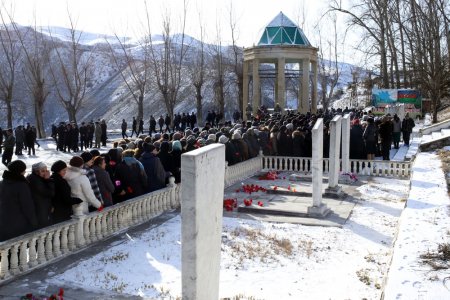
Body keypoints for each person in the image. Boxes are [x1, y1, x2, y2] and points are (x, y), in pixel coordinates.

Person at [0, 160, 38, 241]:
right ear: (19, 171)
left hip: (3, 222)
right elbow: (27, 206)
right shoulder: (21, 185)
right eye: (23, 170)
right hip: (18, 224)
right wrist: (34, 222)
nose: (24, 172)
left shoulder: (2, 183)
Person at [27, 162, 55, 228]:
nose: (45, 173)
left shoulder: (37, 178)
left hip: (42, 208)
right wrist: (48, 180)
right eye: (42, 171)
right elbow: (50, 193)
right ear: (36, 172)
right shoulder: (36, 180)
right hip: (40, 210)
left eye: (46, 171)